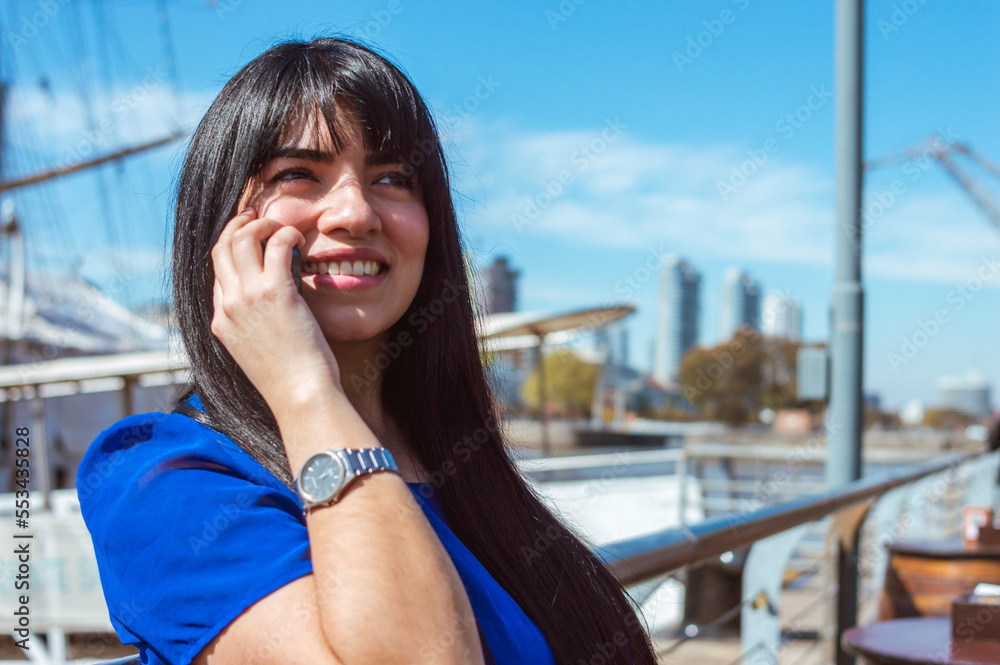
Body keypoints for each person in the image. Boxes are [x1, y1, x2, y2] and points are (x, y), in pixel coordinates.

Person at [77, 37, 657, 665]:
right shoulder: (166, 477)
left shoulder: (456, 459)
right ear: (220, 224)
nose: (355, 211)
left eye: (393, 179)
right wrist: (304, 386)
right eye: (298, 174)